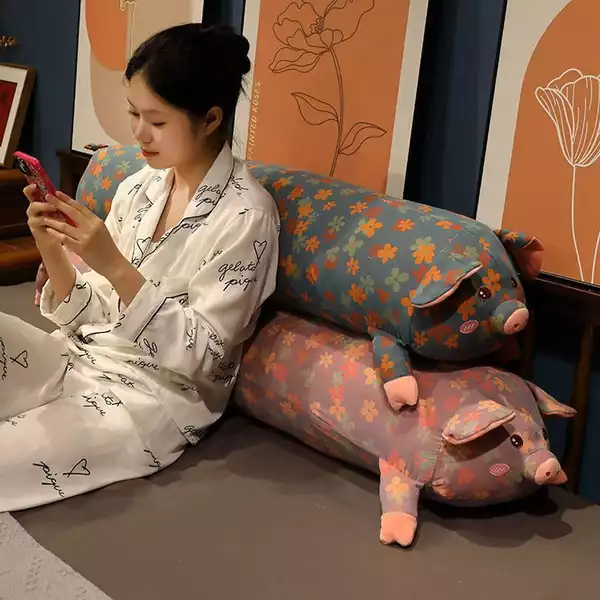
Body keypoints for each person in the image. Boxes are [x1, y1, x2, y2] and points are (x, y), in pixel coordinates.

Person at [0, 23, 280, 512]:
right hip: (75, 355)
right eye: (133, 113)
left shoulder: (247, 218)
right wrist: (50, 245)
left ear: (211, 119)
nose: (138, 133)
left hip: (150, 398)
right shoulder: (139, 187)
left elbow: (204, 356)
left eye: (157, 120)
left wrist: (114, 265)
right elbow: (90, 313)